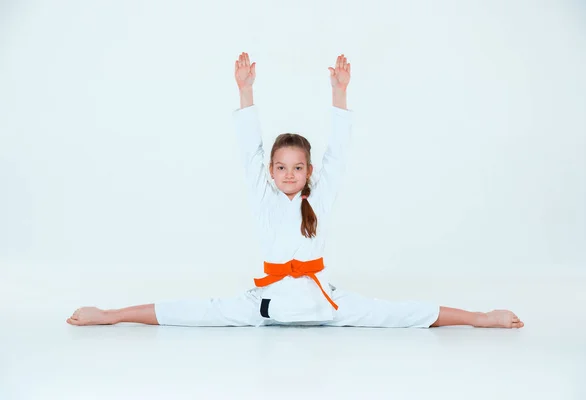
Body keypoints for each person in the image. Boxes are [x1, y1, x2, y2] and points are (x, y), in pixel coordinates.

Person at [67, 52, 524, 329]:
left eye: (297, 167)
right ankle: (108, 315)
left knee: (402, 313)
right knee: (190, 310)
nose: (289, 174)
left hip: (325, 303)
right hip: (263, 306)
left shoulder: (318, 201)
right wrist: (245, 92)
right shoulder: (263, 197)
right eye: (281, 167)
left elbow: (340, 156)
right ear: (271, 171)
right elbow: (249, 151)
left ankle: (482, 318)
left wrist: (339, 94)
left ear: (308, 172)